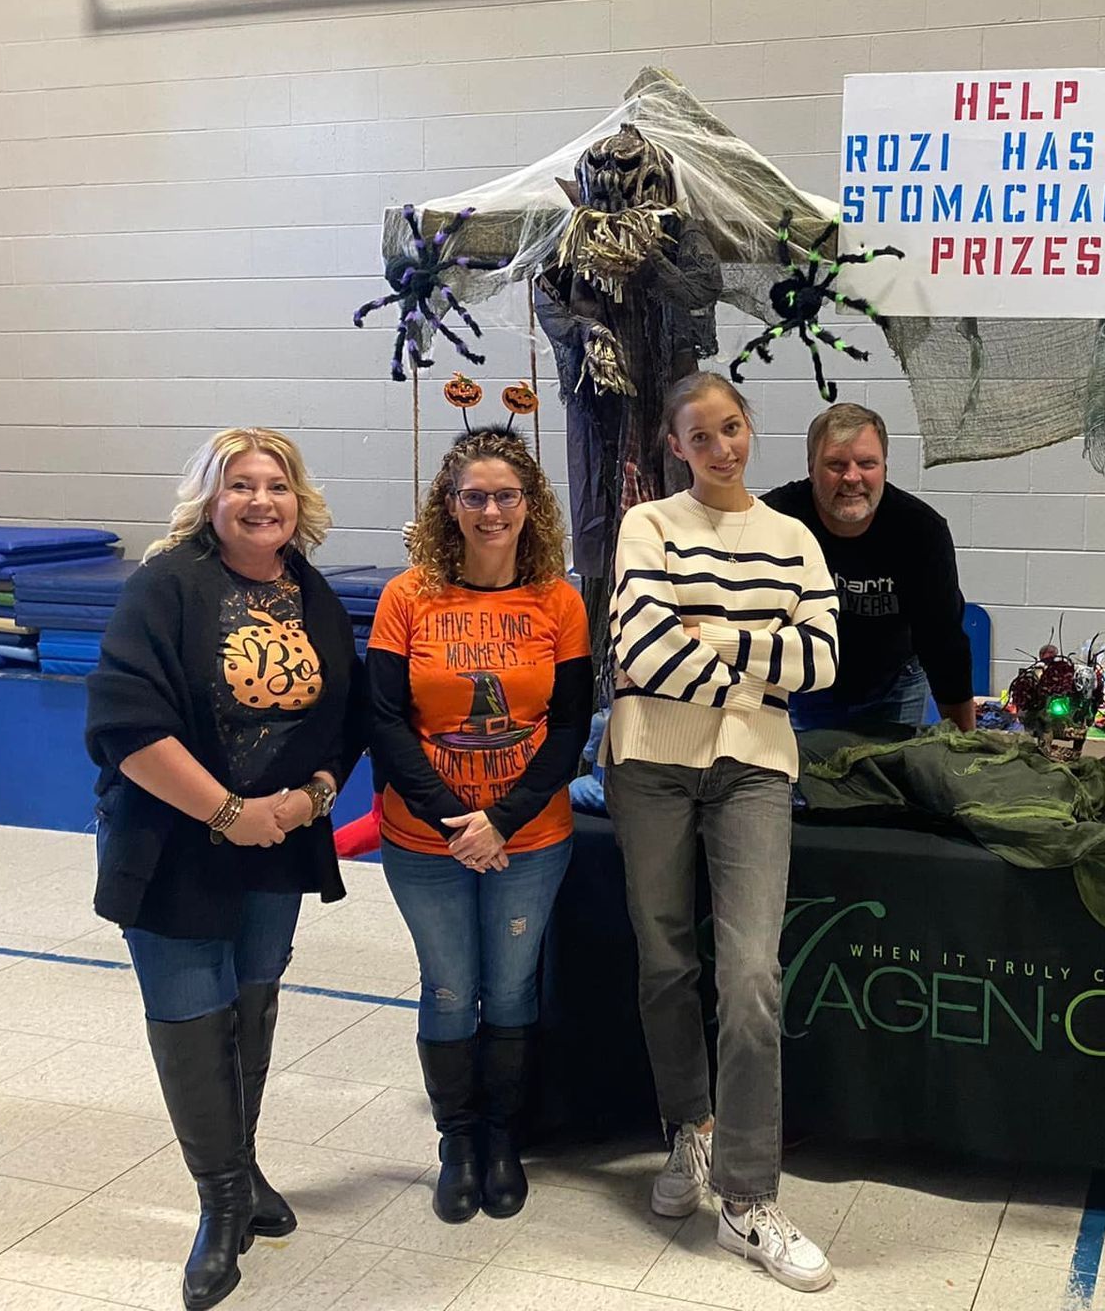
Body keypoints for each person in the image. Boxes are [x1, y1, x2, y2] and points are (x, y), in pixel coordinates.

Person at [87, 428, 365, 1311]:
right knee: (190, 1016)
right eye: (239, 485)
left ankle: (242, 1173)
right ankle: (219, 1207)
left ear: (298, 501)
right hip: (173, 847)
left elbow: (343, 716)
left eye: (275, 485)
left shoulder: (308, 591)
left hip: (276, 845)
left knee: (251, 1008)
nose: (260, 501)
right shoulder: (165, 586)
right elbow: (128, 725)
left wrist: (310, 797)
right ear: (210, 498)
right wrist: (228, 811)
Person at [604, 371, 840, 1293]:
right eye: (701, 437)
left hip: (753, 769)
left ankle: (749, 1200)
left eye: (733, 429)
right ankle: (690, 1133)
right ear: (677, 446)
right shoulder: (647, 527)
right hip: (651, 764)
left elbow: (819, 660)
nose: (722, 448)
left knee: (750, 975)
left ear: (750, 429)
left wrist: (719, 639)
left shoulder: (793, 539)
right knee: (666, 962)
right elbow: (642, 648)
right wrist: (757, 659)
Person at [367, 429, 592, 1226]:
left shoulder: (558, 601)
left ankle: (503, 1138)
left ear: (529, 507)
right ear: (449, 506)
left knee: (510, 986)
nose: (491, 510)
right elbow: (386, 721)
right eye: (474, 496)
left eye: (506, 496)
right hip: (425, 840)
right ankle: (457, 1142)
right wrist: (455, 821)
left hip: (528, 839)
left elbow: (568, 729)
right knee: (449, 988)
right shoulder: (409, 596)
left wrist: (499, 822)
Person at [762, 403, 974, 733]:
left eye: (866, 463)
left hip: (895, 686)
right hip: (802, 688)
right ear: (810, 467)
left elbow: (943, 642)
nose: (852, 477)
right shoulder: (773, 522)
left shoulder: (922, 531)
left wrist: (966, 744)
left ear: (885, 468)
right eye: (835, 464)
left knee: (889, 780)